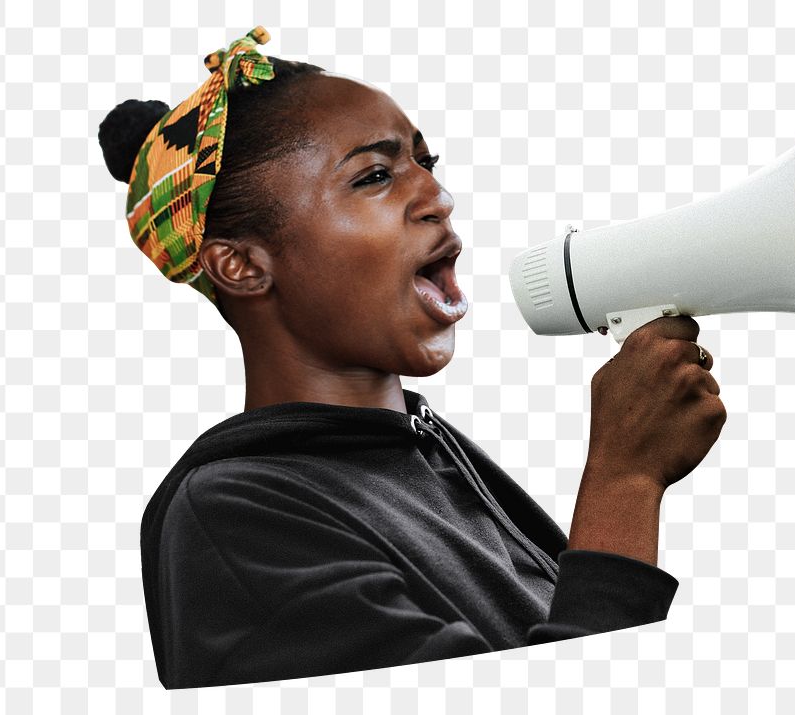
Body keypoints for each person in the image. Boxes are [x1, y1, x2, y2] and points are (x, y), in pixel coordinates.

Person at [98, 28, 726, 689]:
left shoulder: (424, 450)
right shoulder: (234, 518)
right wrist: (623, 480)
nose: (438, 196)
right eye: (375, 175)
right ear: (242, 264)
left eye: (427, 163)